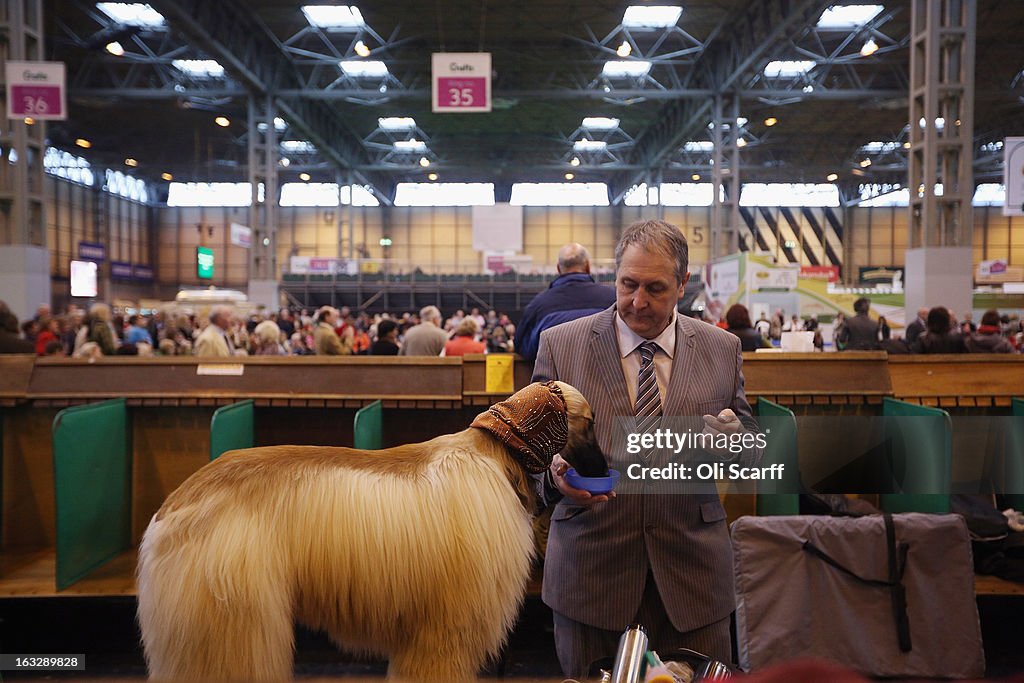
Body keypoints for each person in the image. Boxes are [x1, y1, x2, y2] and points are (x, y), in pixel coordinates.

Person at [533, 219, 761, 677]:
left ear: (682, 285)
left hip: (694, 581)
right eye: (627, 284)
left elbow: (749, 448)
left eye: (655, 288)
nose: (638, 301)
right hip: (591, 578)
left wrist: (736, 443)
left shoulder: (722, 349)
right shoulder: (562, 346)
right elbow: (530, 460)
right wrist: (555, 479)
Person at [515, 242, 616, 362]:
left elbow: (521, 346)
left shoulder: (538, 305)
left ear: (558, 268)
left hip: (554, 379)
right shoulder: (613, 298)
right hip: (606, 377)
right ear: (588, 266)